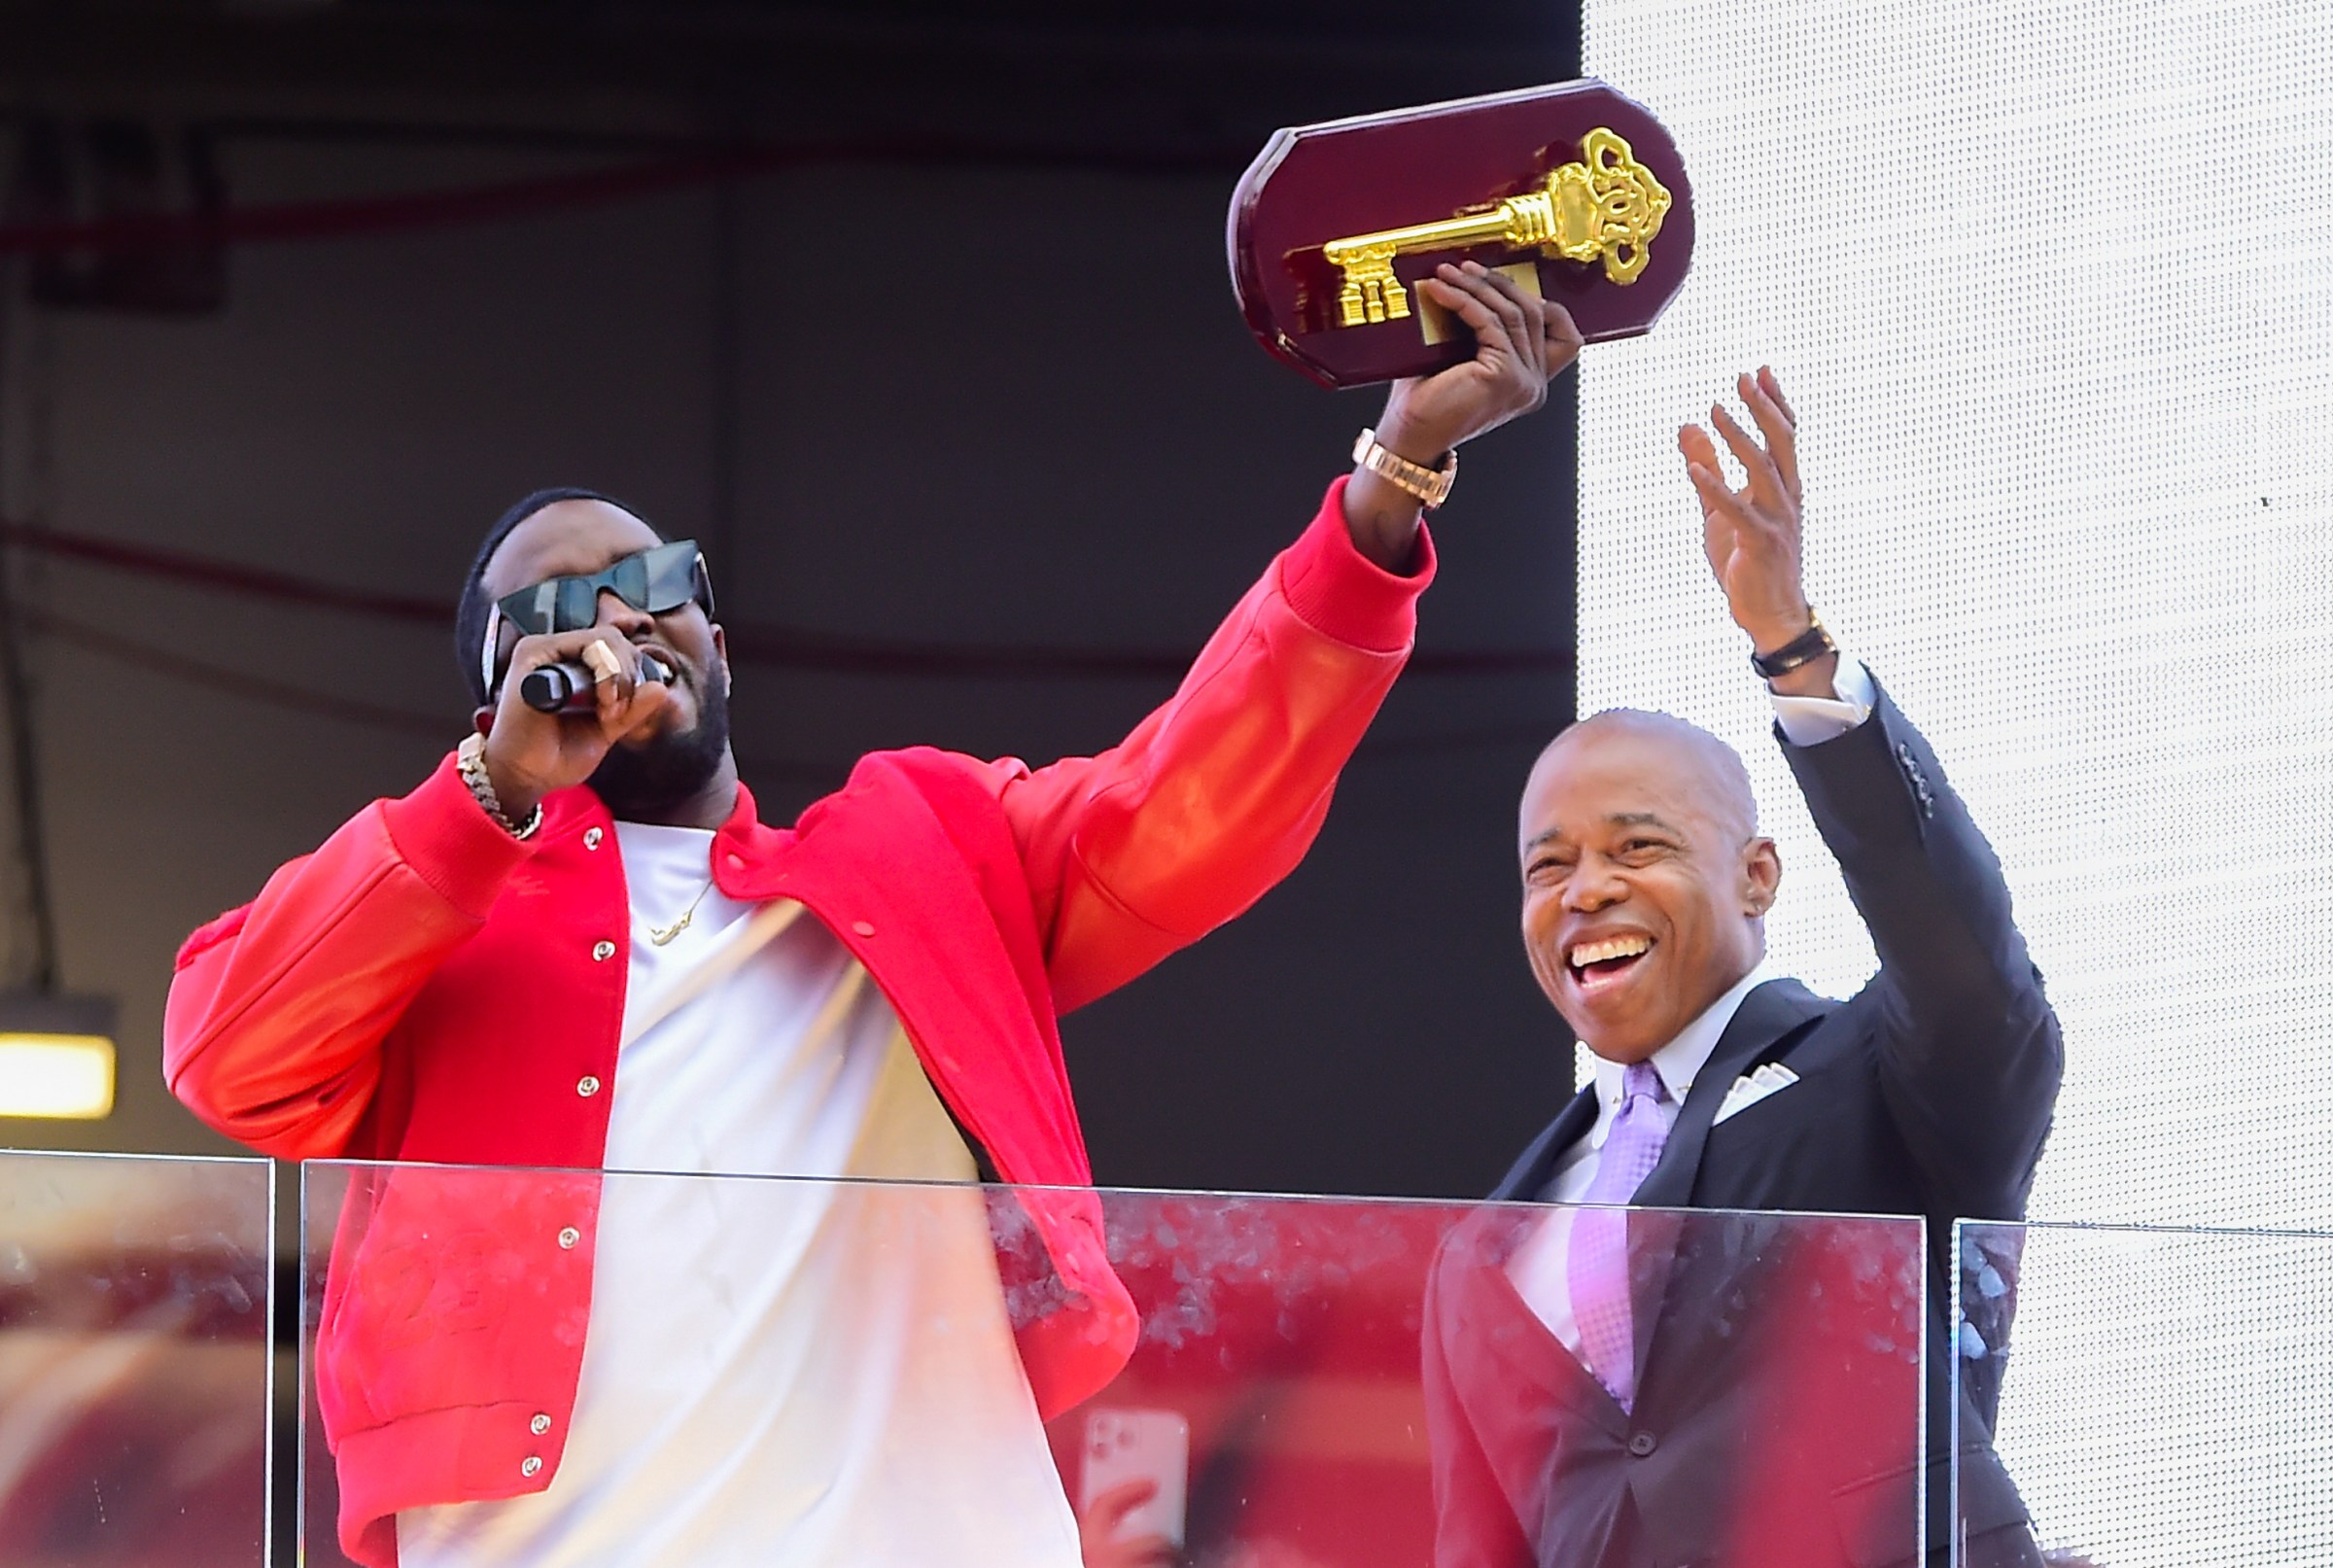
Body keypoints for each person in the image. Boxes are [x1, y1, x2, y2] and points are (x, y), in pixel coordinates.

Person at [161, 262, 1583, 1568]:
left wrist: (1390, 487)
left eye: (660, 583)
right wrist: (487, 796)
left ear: (719, 635)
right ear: (499, 695)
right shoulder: (434, 910)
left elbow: (1196, 805)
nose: (622, 618)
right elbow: (228, 1050)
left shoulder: (923, 849)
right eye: (563, 607)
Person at [1422, 368, 2063, 1568]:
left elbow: (1966, 964)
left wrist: (1793, 647)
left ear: (1757, 876)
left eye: (1638, 846)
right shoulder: (1479, 1251)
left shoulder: (1879, 1078)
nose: (1586, 889)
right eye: (1546, 865)